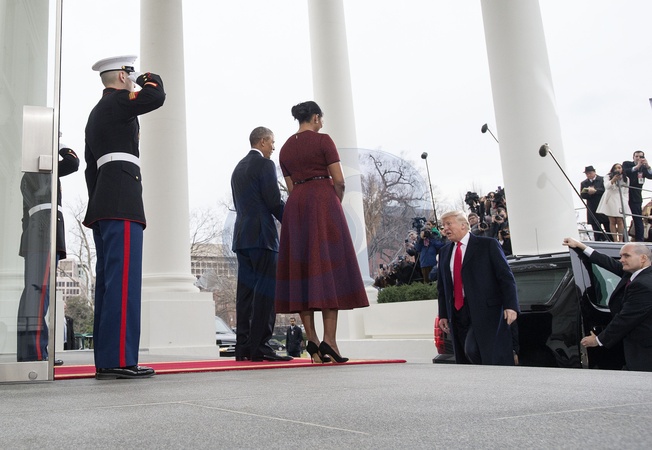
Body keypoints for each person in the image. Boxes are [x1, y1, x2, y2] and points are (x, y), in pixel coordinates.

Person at [84, 55, 165, 379]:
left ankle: (108, 360)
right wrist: (144, 75)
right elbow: (155, 94)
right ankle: (120, 359)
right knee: (123, 284)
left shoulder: (96, 113)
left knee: (108, 284)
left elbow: (90, 169)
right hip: (122, 200)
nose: (132, 80)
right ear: (122, 76)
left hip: (104, 202)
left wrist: (98, 201)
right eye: (129, 74)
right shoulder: (117, 101)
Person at [275, 100, 369, 364]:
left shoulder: (285, 148)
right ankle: (331, 341)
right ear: (315, 118)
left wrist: (302, 203)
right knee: (328, 268)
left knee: (301, 272)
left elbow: (291, 187)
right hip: (323, 201)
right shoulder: (323, 140)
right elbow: (339, 180)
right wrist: (334, 202)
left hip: (297, 207)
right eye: (321, 118)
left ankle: (313, 341)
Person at [17, 139, 79, 366]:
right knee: (38, 293)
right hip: (43, 234)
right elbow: (72, 162)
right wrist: (60, 144)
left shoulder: (35, 175)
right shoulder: (39, 172)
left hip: (40, 234)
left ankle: (34, 351)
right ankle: (34, 353)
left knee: (37, 294)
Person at [231, 126, 290, 362]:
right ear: (263, 141)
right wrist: (292, 223)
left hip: (241, 238)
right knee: (265, 292)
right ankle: (261, 347)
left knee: (245, 294)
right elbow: (273, 201)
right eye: (272, 142)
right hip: (262, 237)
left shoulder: (237, 168)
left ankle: (243, 347)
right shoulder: (265, 165)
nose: (274, 147)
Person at [437, 211, 519, 365]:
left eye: (449, 224)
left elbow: (506, 277)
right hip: (457, 312)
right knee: (463, 356)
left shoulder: (487, 245)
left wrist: (511, 306)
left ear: (463, 225)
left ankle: (491, 376)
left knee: (473, 349)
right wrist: (443, 314)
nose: (445, 229)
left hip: (485, 311)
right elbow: (442, 287)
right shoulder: (444, 252)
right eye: (443, 226)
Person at [563, 237, 652, 372]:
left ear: (643, 258)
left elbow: (626, 318)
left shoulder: (643, 284)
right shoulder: (634, 274)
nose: (621, 260)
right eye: (621, 256)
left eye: (626, 256)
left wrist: (598, 340)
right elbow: (608, 262)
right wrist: (581, 246)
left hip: (644, 351)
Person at [622, 151, 652, 242]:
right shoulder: (627, 164)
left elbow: (650, 176)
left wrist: (648, 166)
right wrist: (637, 167)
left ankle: (640, 240)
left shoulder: (643, 168)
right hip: (624, 194)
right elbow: (625, 172)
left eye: (640, 156)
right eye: (636, 156)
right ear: (633, 157)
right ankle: (622, 239)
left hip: (636, 196)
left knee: (637, 218)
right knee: (621, 217)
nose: (638, 158)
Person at [597, 163, 630, 242]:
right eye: (616, 168)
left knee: (620, 220)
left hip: (620, 199)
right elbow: (606, 186)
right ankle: (615, 239)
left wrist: (625, 201)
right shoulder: (608, 176)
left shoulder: (626, 178)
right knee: (612, 220)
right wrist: (613, 180)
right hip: (610, 198)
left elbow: (626, 191)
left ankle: (621, 239)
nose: (618, 169)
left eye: (619, 168)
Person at [580, 165, 610, 241]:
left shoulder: (602, 180)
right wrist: (589, 193)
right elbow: (582, 195)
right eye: (587, 174)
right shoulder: (584, 183)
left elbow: (605, 190)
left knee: (607, 226)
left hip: (602, 205)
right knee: (596, 228)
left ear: (594, 172)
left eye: (590, 173)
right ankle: (599, 240)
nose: (588, 175)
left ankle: (610, 239)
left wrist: (595, 191)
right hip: (592, 207)